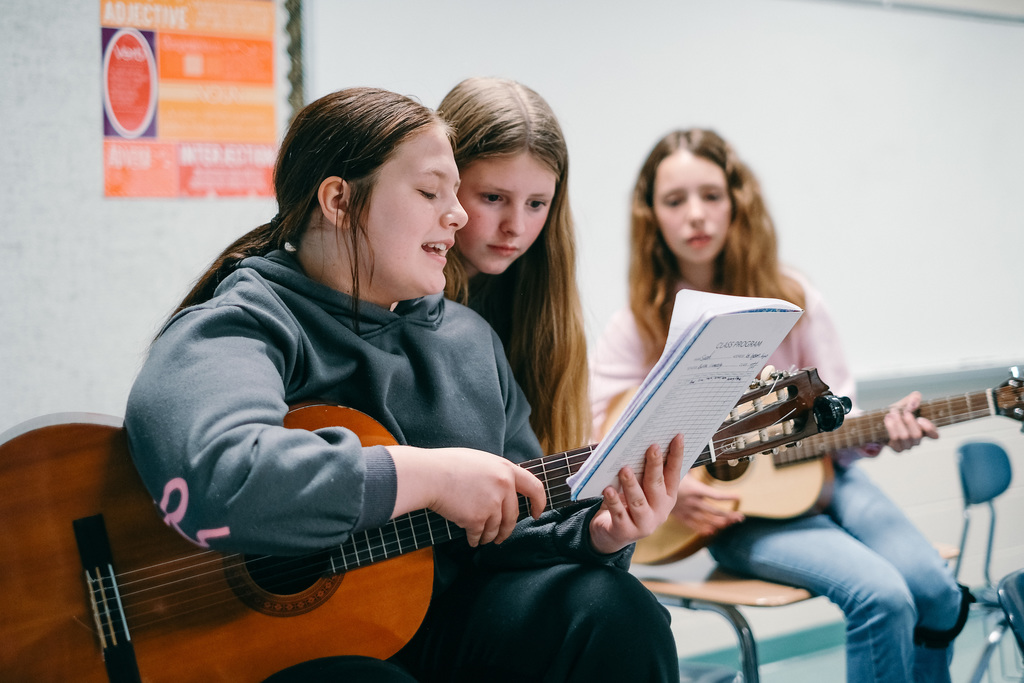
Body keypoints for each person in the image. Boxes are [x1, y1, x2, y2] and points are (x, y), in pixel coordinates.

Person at [124, 87, 684, 682]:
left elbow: (515, 523)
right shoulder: (239, 323)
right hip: (252, 653)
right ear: (339, 201)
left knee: (614, 612)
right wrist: (431, 477)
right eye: (429, 192)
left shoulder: (469, 340)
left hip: (429, 631)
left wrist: (597, 533)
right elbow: (224, 475)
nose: (458, 215)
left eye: (457, 193)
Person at [589, 128, 974, 683]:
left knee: (936, 590)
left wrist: (878, 432)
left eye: (711, 195)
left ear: (736, 202)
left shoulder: (791, 298)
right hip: (738, 517)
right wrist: (670, 492)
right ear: (651, 215)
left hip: (829, 479)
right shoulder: (635, 326)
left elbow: (838, 413)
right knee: (884, 598)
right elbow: (601, 441)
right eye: (675, 200)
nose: (696, 215)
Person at [437, 76, 590, 455]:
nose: (516, 227)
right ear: (443, 184)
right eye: (493, 197)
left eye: (536, 204)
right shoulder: (394, 299)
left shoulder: (540, 299)